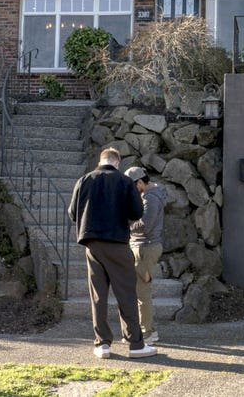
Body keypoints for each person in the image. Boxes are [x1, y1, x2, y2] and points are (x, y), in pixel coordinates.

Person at [68, 148, 157, 359]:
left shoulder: (84, 180)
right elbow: (137, 212)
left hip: (92, 244)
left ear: (101, 161)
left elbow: (73, 213)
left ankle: (102, 344)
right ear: (117, 163)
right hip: (117, 243)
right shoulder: (125, 182)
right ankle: (135, 344)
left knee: (98, 295)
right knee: (126, 293)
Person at [125, 166, 166, 345]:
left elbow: (144, 225)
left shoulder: (151, 199)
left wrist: (126, 224)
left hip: (145, 248)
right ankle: (150, 331)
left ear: (140, 182)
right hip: (144, 247)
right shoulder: (150, 196)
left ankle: (147, 333)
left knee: (142, 293)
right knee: (141, 291)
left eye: (133, 186)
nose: (132, 191)